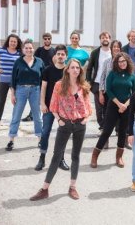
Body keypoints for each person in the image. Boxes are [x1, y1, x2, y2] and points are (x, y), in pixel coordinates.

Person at [30, 59, 92, 201]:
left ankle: (72, 187)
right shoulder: (59, 85)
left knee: (75, 156)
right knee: (56, 156)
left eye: (78, 68)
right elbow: (53, 105)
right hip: (64, 124)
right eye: (73, 67)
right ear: (68, 69)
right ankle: (44, 189)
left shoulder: (83, 86)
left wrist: (85, 120)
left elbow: (88, 108)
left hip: (80, 124)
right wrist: (59, 120)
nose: (76, 70)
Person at [91, 52, 135, 168]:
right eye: (120, 61)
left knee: (122, 132)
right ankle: (95, 156)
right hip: (113, 105)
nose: (122, 63)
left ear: (128, 62)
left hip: (126, 107)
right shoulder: (112, 74)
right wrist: (119, 104)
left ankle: (119, 157)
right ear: (116, 63)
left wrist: (125, 105)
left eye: (124, 61)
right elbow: (109, 90)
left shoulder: (132, 75)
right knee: (106, 131)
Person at [35, 45, 70, 171]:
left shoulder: (68, 71)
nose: (60, 56)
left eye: (63, 54)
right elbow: (43, 88)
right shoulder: (47, 70)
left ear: (66, 56)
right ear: (55, 56)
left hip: (64, 109)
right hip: (49, 107)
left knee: (63, 134)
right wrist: (42, 104)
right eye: (58, 54)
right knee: (45, 132)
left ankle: (61, 159)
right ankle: (42, 158)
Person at [5, 39, 45, 151]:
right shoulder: (18, 62)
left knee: (37, 116)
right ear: (23, 49)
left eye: (30, 48)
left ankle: (40, 139)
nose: (28, 50)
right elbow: (13, 79)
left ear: (33, 49)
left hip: (35, 90)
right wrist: (13, 94)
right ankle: (11, 140)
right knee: (16, 115)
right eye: (26, 48)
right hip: (21, 90)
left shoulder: (39, 62)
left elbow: (43, 80)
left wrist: (43, 96)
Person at [0, 34, 22, 130]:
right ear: (8, 41)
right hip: (4, 80)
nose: (13, 43)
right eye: (11, 41)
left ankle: (15, 123)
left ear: (17, 43)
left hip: (15, 81)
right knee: (1, 101)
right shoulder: (1, 50)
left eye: (15, 42)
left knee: (17, 102)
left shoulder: (19, 53)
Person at [22, 33, 56, 122]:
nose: (47, 40)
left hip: (50, 77)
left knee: (50, 96)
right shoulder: (39, 50)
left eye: (49, 39)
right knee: (36, 97)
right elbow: (33, 61)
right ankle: (32, 115)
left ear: (51, 40)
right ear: (43, 40)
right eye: (45, 39)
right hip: (39, 77)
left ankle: (51, 114)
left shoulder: (54, 51)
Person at [86, 32, 112, 134]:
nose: (105, 39)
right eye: (102, 37)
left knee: (108, 107)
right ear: (100, 40)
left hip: (110, 84)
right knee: (99, 108)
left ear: (109, 39)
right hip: (97, 83)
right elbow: (89, 68)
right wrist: (89, 83)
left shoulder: (113, 52)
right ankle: (102, 127)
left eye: (106, 37)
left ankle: (106, 128)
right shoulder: (95, 53)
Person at [99, 40, 122, 148]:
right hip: (108, 93)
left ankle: (123, 141)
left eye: (118, 47)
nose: (116, 49)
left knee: (122, 118)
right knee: (108, 117)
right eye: (114, 47)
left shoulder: (124, 62)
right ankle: (105, 141)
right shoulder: (107, 62)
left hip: (120, 94)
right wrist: (100, 92)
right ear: (111, 48)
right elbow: (102, 77)